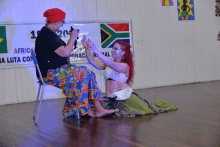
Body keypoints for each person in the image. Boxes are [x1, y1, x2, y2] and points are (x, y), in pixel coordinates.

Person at [34, 8, 116, 118]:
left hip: (58, 70)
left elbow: (64, 52)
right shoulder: (46, 35)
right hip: (50, 73)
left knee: (88, 73)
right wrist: (73, 37)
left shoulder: (49, 34)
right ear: (56, 21)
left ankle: (98, 108)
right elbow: (65, 52)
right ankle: (85, 110)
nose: (62, 24)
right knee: (81, 73)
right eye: (62, 21)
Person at [81, 36, 176, 117]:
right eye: (113, 48)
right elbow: (92, 61)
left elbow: (112, 64)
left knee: (145, 109)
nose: (112, 50)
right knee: (89, 105)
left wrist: (96, 51)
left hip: (124, 97)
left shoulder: (124, 66)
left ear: (123, 53)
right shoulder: (107, 64)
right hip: (110, 98)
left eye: (116, 49)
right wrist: (86, 48)